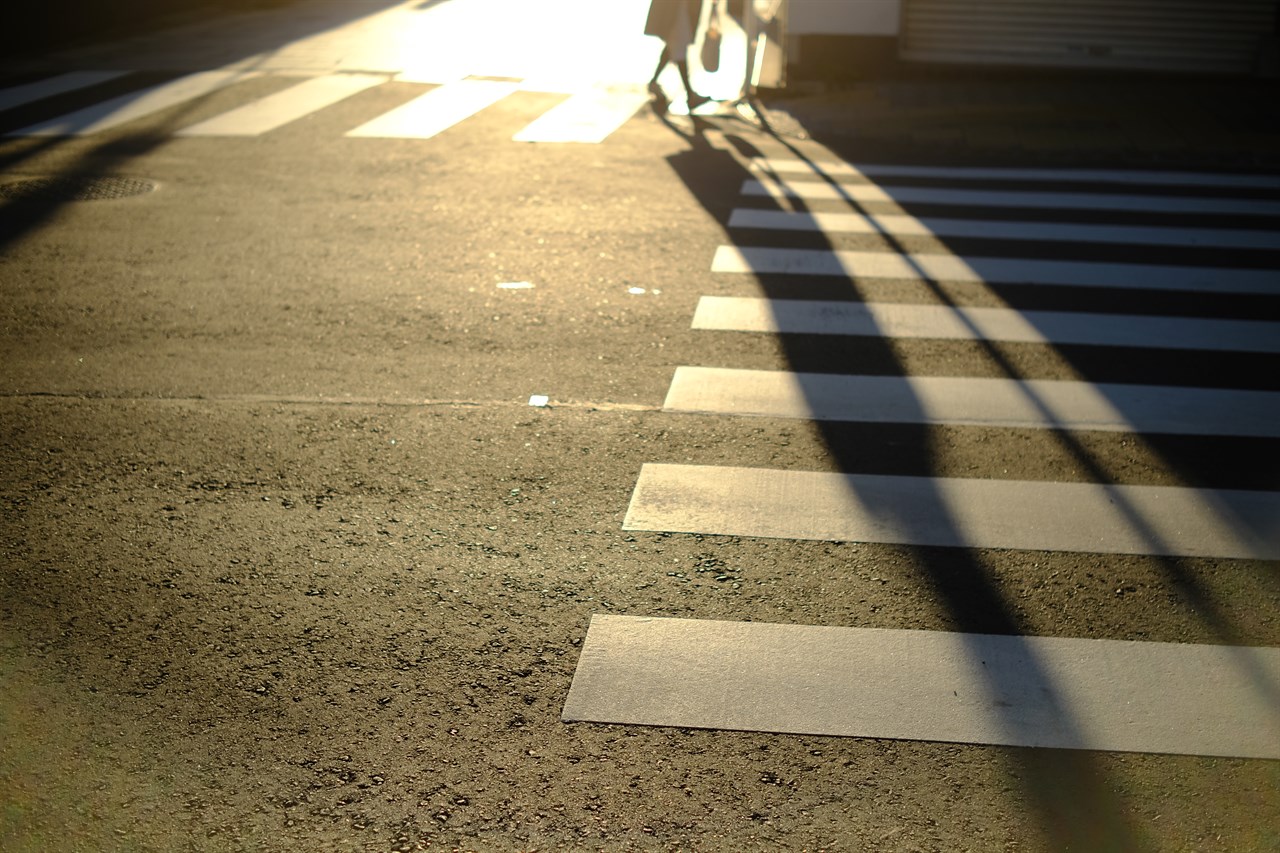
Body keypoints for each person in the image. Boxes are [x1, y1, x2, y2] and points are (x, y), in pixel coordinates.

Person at [644, 0, 710, 113]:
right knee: (679, 49)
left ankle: (654, 83)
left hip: (677, 9)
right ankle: (690, 95)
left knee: (672, 47)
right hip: (676, 9)